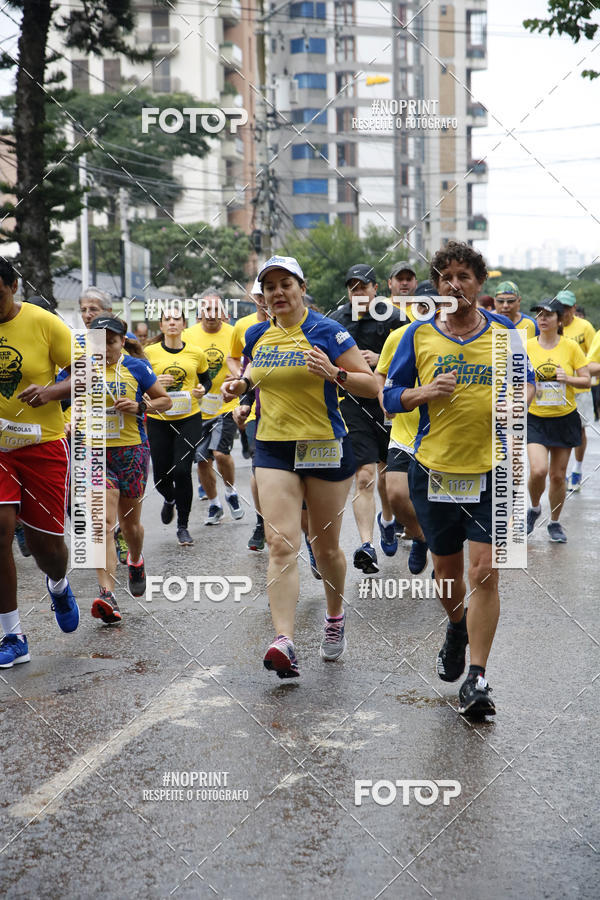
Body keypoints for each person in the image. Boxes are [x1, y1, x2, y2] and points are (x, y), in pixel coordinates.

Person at [384, 241, 535, 717]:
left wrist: (522, 398)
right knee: (447, 574)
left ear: (479, 282)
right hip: (434, 471)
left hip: (495, 469)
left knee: (484, 572)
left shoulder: (505, 332)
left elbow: (527, 380)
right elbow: (388, 397)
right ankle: (456, 625)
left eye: (463, 276)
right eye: (445, 277)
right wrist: (422, 392)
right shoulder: (418, 336)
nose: (455, 284)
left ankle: (477, 678)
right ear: (436, 286)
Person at [222, 255, 378, 678]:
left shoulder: (329, 331)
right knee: (281, 543)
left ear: (301, 287)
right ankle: (285, 640)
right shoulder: (257, 336)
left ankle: (334, 616)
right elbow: (254, 380)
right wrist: (239, 391)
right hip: (273, 448)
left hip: (326, 447)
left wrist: (335, 373)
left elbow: (373, 384)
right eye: (269, 286)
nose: (277, 292)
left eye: (285, 283)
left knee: (324, 548)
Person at [0, 261, 79, 668]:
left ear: (14, 286)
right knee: (0, 528)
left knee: (47, 548)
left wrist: (52, 391)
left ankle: (59, 583)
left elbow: (87, 372)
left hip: (42, 444)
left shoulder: (45, 323)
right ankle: (11, 634)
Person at [85, 316, 172, 622]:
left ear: (122, 341)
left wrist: (140, 407)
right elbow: (59, 401)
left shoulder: (136, 367)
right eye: (98, 341)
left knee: (129, 524)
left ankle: (135, 558)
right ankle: (106, 594)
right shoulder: (79, 369)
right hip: (96, 453)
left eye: (111, 341)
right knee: (102, 523)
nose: (104, 348)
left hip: (132, 451)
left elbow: (166, 401)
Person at [329, 264, 403, 572]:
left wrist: (378, 358)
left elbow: (411, 352)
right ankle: (366, 545)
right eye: (352, 287)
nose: (357, 292)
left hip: (386, 403)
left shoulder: (394, 316)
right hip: (352, 404)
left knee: (387, 475)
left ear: (375, 289)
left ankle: (387, 519)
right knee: (364, 475)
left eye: (363, 287)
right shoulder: (336, 321)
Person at [144, 309, 211, 546]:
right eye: (167, 319)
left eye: (176, 319)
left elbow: (206, 380)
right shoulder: (148, 353)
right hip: (159, 419)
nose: (172, 323)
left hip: (188, 417)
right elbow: (137, 385)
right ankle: (169, 499)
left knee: (182, 471)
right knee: (161, 477)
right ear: (161, 326)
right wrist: (153, 383)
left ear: (184, 324)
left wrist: (203, 390)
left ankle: (183, 526)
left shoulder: (196, 353)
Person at [526, 299, 590, 542]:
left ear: (559, 320)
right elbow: (513, 376)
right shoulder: (527, 345)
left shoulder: (570, 348)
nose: (542, 318)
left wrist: (567, 379)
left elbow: (586, 380)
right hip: (535, 418)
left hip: (564, 418)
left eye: (548, 315)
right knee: (539, 470)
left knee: (556, 476)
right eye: (539, 314)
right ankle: (534, 508)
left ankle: (554, 522)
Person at [183, 291, 244, 525]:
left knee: (220, 453)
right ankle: (215, 504)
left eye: (216, 310)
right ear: (200, 313)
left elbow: (244, 360)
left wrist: (237, 374)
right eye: (207, 310)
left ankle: (230, 492)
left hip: (226, 403)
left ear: (224, 313)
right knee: (202, 460)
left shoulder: (234, 332)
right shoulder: (188, 335)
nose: (211, 315)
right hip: (197, 409)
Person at [227, 279, 269, 550]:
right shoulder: (247, 329)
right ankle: (262, 522)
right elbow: (245, 368)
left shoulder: (311, 328)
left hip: (302, 421)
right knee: (258, 471)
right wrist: (243, 398)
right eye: (260, 293)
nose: (265, 298)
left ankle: (311, 538)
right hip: (259, 414)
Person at [557, 290, 596, 491]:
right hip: (555, 390)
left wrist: (578, 372)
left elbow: (594, 357)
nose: (564, 311)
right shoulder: (551, 324)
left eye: (567, 307)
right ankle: (559, 473)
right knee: (559, 430)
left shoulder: (585, 327)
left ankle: (577, 470)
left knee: (579, 430)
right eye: (560, 307)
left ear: (574, 307)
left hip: (579, 388)